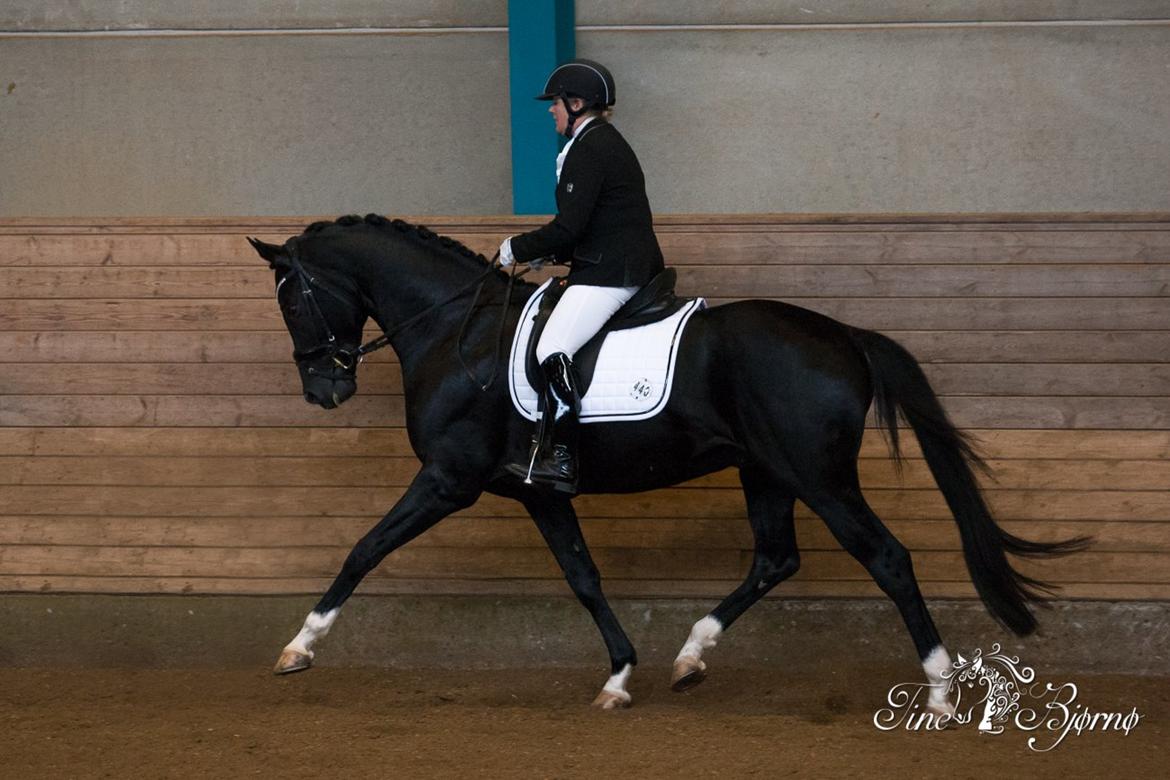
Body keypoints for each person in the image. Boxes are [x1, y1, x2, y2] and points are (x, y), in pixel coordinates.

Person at [500, 58, 666, 493]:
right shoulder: (597, 140)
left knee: (552, 347)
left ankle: (564, 455)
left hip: (612, 272)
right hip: (609, 261)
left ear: (576, 103)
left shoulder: (591, 147)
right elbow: (590, 224)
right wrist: (550, 254)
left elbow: (570, 227)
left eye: (555, 103)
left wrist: (517, 248)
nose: (550, 110)